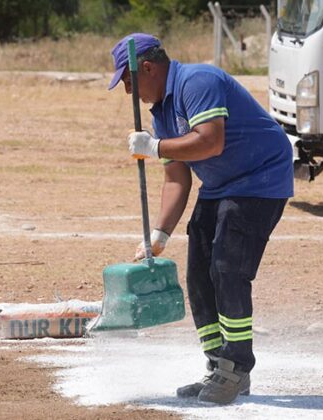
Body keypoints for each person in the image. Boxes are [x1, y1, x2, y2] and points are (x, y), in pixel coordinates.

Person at [108, 33, 294, 405]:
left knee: (227, 268)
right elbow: (177, 177)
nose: (130, 93)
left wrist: (156, 146)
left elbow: (211, 142)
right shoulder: (161, 112)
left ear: (147, 68)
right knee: (198, 273)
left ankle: (236, 367)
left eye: (129, 83)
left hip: (260, 178)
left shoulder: (198, 81)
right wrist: (158, 235)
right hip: (221, 184)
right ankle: (217, 364)